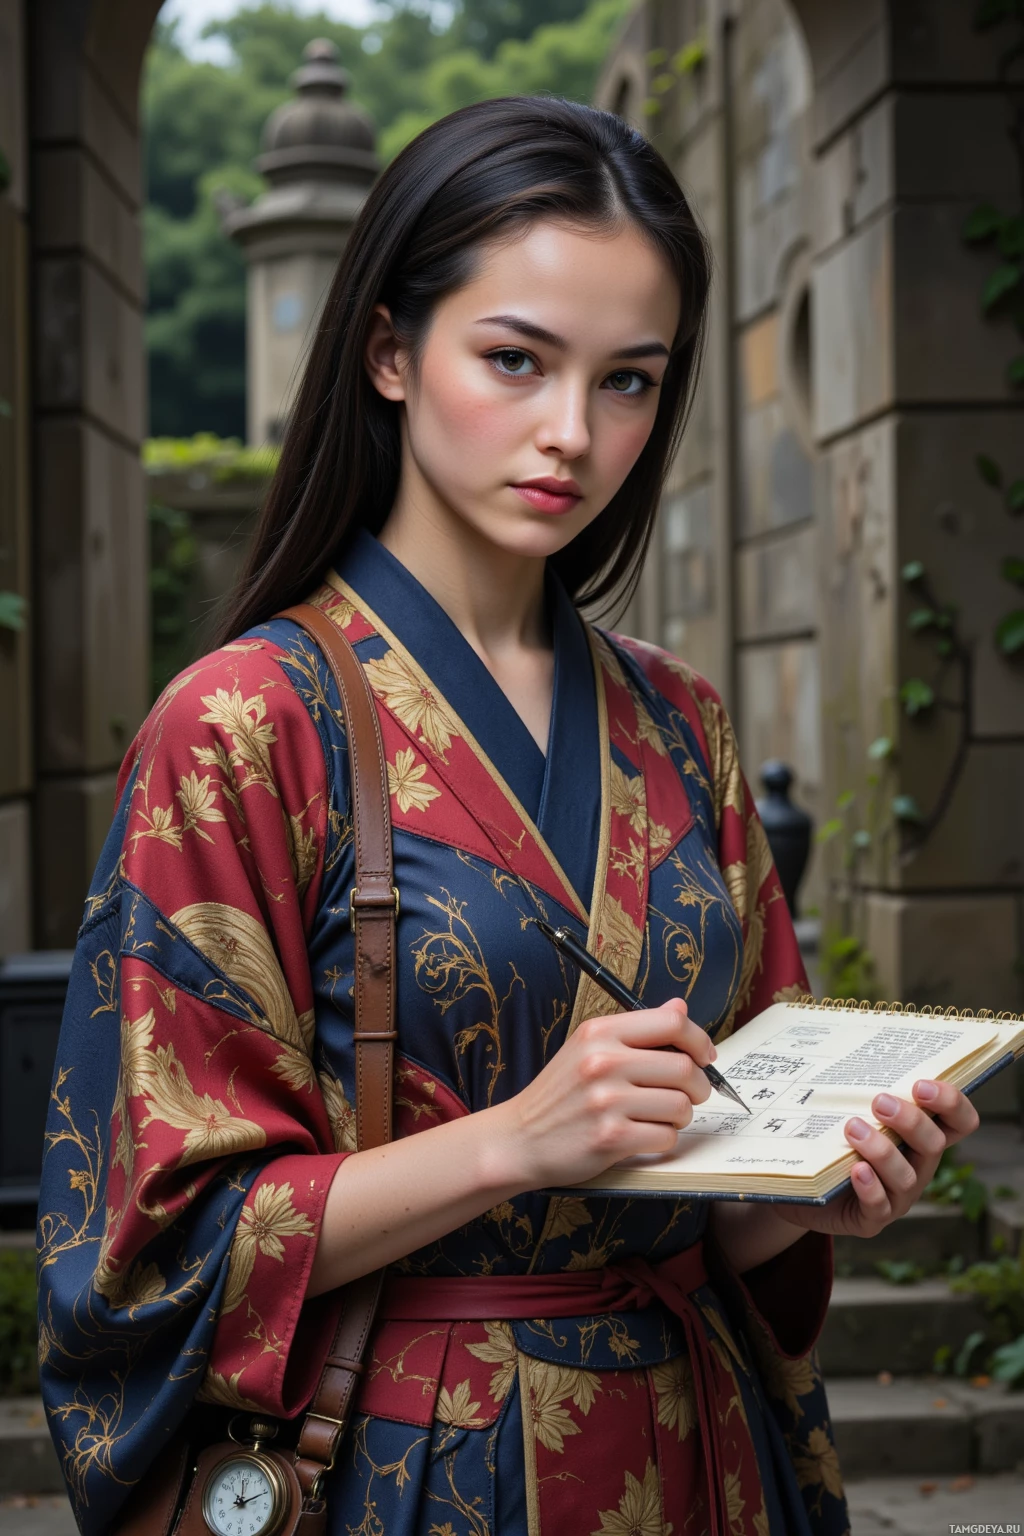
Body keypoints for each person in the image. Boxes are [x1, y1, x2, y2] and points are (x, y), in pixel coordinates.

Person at [37, 96, 980, 1536]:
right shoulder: (241, 726)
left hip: (702, 1451)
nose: (570, 433)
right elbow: (147, 1245)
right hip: (410, 1467)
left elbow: (726, 1172)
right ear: (390, 351)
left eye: (629, 382)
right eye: (516, 359)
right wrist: (515, 1141)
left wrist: (809, 1195)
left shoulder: (682, 723)